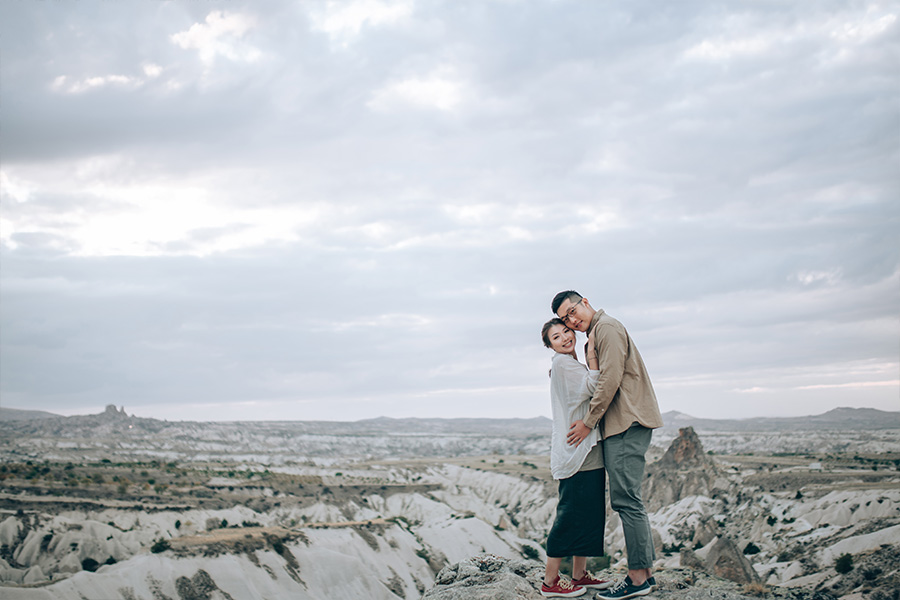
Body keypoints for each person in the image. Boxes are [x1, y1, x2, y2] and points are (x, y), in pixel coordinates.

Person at [551, 291, 663, 600]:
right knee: (628, 500)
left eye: (573, 312)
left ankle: (637, 578)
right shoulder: (596, 335)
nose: (573, 320)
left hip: (626, 422)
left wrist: (588, 421)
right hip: (620, 424)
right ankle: (646, 575)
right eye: (565, 319)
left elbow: (610, 379)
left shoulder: (607, 328)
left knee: (627, 501)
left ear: (585, 302)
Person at [539, 318, 614, 598]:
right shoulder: (562, 363)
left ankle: (580, 574)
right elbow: (594, 387)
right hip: (575, 452)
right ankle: (550, 581)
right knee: (570, 515)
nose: (565, 338)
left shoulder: (567, 364)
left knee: (589, 514)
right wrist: (592, 353)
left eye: (566, 331)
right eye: (556, 337)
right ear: (550, 346)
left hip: (587, 448)